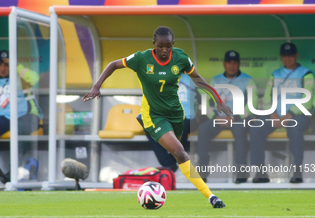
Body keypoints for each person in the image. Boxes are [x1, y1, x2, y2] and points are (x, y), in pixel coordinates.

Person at [83, 26, 232, 208]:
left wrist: (216, 99)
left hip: (176, 113)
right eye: (160, 46)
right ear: (153, 44)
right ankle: (211, 196)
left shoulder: (181, 58)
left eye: (168, 46)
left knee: (177, 150)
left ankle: (164, 154)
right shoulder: (141, 58)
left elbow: (199, 79)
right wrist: (96, 86)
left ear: (173, 44)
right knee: (180, 153)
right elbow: (113, 64)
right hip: (154, 114)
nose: (164, 50)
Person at [249, 42, 314, 183]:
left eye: (290, 55)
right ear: (281, 57)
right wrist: (272, 113)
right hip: (275, 115)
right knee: (255, 128)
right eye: (284, 55)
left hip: (297, 115)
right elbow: (267, 96)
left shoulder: (306, 73)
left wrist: (289, 114)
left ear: (296, 56)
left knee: (295, 128)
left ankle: (297, 170)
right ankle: (260, 172)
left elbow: (307, 100)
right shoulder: (276, 74)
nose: (287, 58)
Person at [196, 50, 258, 184]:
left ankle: (242, 170)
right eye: (229, 63)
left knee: (239, 129)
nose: (232, 66)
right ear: (224, 64)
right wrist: (214, 117)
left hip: (238, 118)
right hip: (218, 119)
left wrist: (235, 117)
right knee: (203, 129)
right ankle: (203, 169)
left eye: (235, 63)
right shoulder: (215, 80)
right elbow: (206, 101)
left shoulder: (247, 80)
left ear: (239, 64)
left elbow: (252, 104)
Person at [140, 72, 198, 172]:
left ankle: (171, 164)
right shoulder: (162, 77)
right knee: (149, 127)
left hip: (187, 117)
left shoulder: (191, 79)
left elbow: (200, 99)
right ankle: (169, 163)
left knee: (180, 127)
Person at [0, 49, 44, 183]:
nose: (3, 68)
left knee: (20, 134)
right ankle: (3, 175)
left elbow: (35, 78)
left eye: (6, 65)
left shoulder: (21, 77)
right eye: (0, 64)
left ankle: (16, 171)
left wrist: (16, 66)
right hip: (5, 117)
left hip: (27, 115)